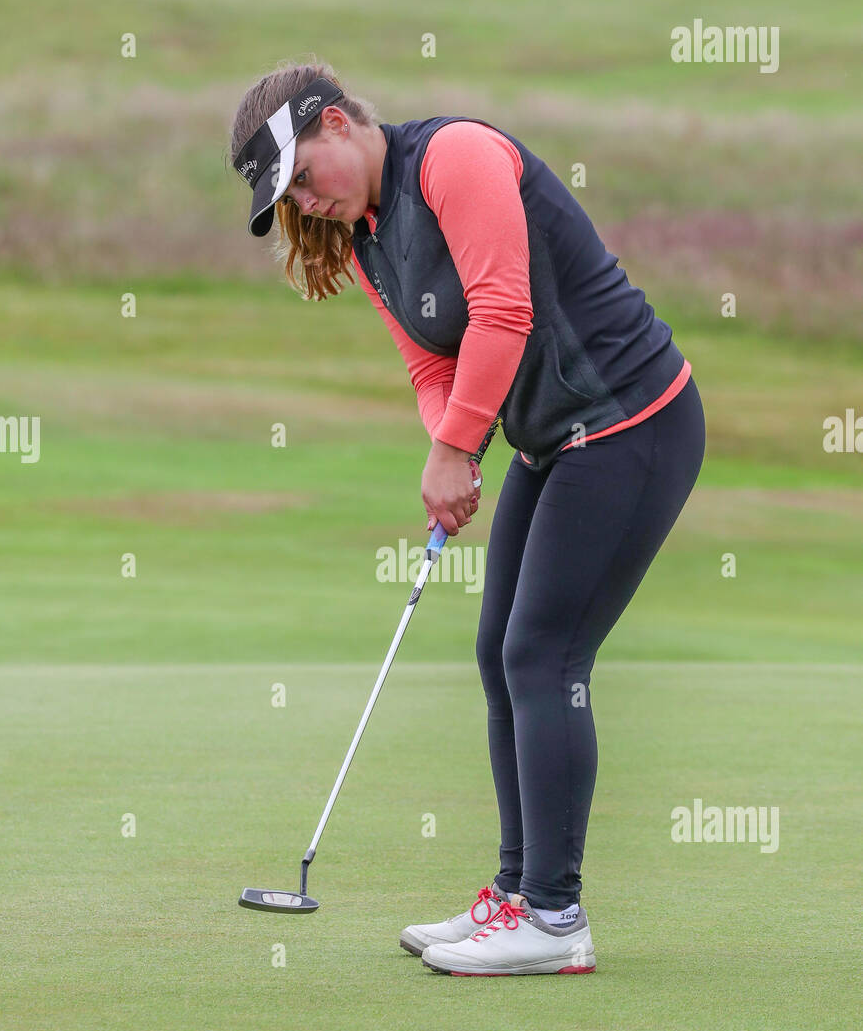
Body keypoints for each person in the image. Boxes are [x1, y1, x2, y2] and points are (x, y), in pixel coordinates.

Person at [229, 60, 706, 976]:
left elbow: (502, 311)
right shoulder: (369, 236)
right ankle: (518, 896)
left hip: (630, 425)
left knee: (545, 655)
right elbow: (430, 367)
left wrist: (455, 452)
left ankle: (557, 922)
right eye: (286, 194)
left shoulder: (457, 158)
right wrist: (454, 440)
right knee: (500, 651)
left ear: (338, 122)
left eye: (301, 178)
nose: (304, 203)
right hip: (551, 441)